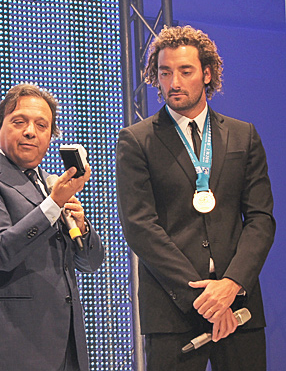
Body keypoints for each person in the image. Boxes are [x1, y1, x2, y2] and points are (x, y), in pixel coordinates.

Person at [116, 25, 275, 370]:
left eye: (185, 71)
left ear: (207, 74)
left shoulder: (243, 135)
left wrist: (231, 285)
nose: (174, 82)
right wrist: (203, 299)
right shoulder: (136, 140)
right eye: (165, 72)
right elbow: (140, 227)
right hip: (172, 311)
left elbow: (261, 219)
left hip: (239, 305)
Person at [0, 83, 104, 371]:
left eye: (41, 125)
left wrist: (82, 227)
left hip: (66, 346)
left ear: (50, 137)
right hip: (13, 347)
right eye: (19, 121)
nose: (30, 132)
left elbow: (90, 263)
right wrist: (53, 205)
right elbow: (0, 252)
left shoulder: (50, 184)